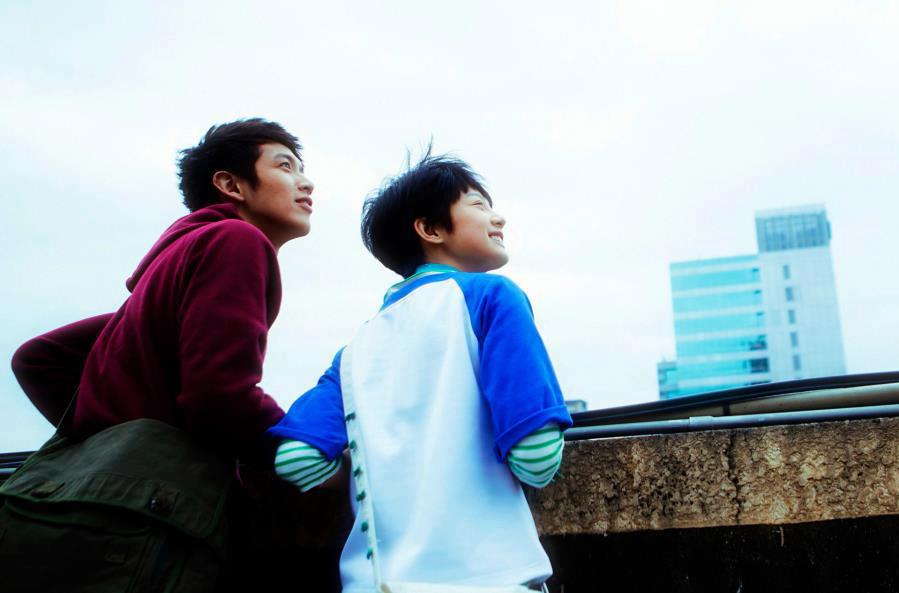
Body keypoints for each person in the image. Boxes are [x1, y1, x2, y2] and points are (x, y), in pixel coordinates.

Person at [1, 118, 315, 592]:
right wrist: (302, 451)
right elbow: (219, 398)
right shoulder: (237, 240)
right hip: (146, 521)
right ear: (231, 185)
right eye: (285, 166)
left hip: (67, 513)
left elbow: (38, 358)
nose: (306, 183)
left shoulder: (162, 283)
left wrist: (106, 439)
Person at [267, 152, 572, 592]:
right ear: (430, 229)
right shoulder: (492, 298)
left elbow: (297, 460)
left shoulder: (355, 349)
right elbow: (536, 458)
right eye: (479, 205)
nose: (498, 217)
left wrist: (374, 465)